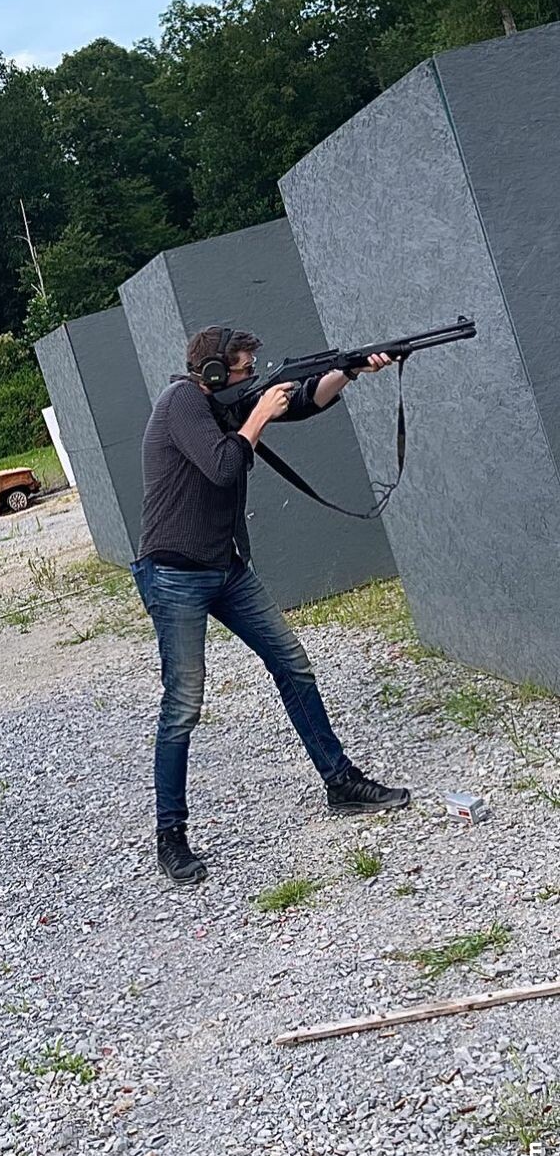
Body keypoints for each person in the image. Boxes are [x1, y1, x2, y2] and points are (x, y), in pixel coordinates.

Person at [131, 326, 410, 887]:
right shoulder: (182, 401)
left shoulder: (226, 403)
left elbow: (304, 401)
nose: (252, 377)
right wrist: (258, 415)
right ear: (213, 372)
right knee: (183, 704)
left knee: (293, 665)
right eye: (242, 369)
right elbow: (223, 466)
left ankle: (340, 782)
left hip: (225, 566)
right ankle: (170, 836)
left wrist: (349, 370)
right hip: (175, 572)